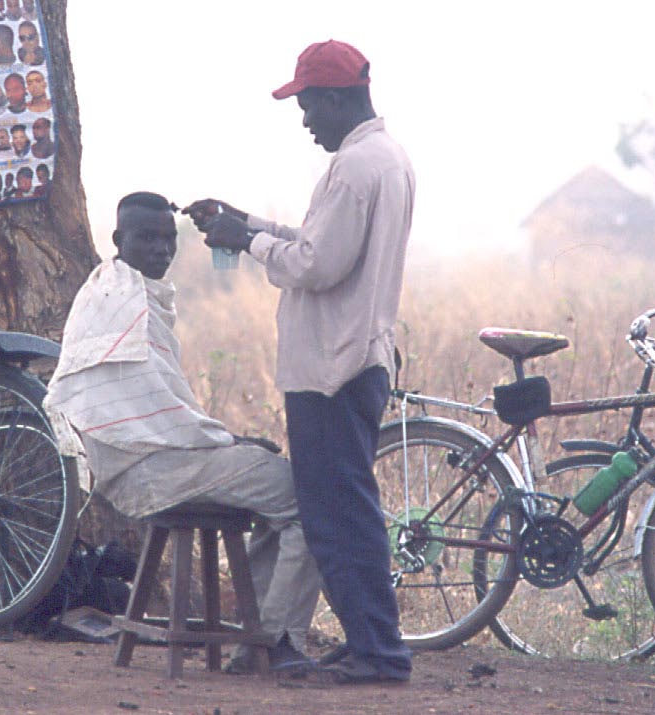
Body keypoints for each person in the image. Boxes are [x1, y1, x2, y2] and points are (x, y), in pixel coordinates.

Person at [183, 40, 415, 685]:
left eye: (309, 105)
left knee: (336, 517)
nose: (307, 120)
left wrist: (246, 242)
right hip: (358, 357)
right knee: (348, 509)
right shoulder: (385, 159)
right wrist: (249, 222)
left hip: (331, 367)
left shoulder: (354, 168)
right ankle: (374, 640)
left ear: (336, 98)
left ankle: (379, 653)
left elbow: (316, 265)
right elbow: (322, 244)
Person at [45, 191, 322, 675]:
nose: (161, 250)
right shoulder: (121, 299)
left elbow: (158, 406)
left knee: (283, 499)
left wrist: (222, 440)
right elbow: (161, 417)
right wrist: (226, 441)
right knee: (314, 499)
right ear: (119, 240)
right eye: (147, 238)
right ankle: (277, 642)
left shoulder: (113, 289)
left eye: (168, 239)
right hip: (147, 469)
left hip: (151, 461)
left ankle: (253, 642)